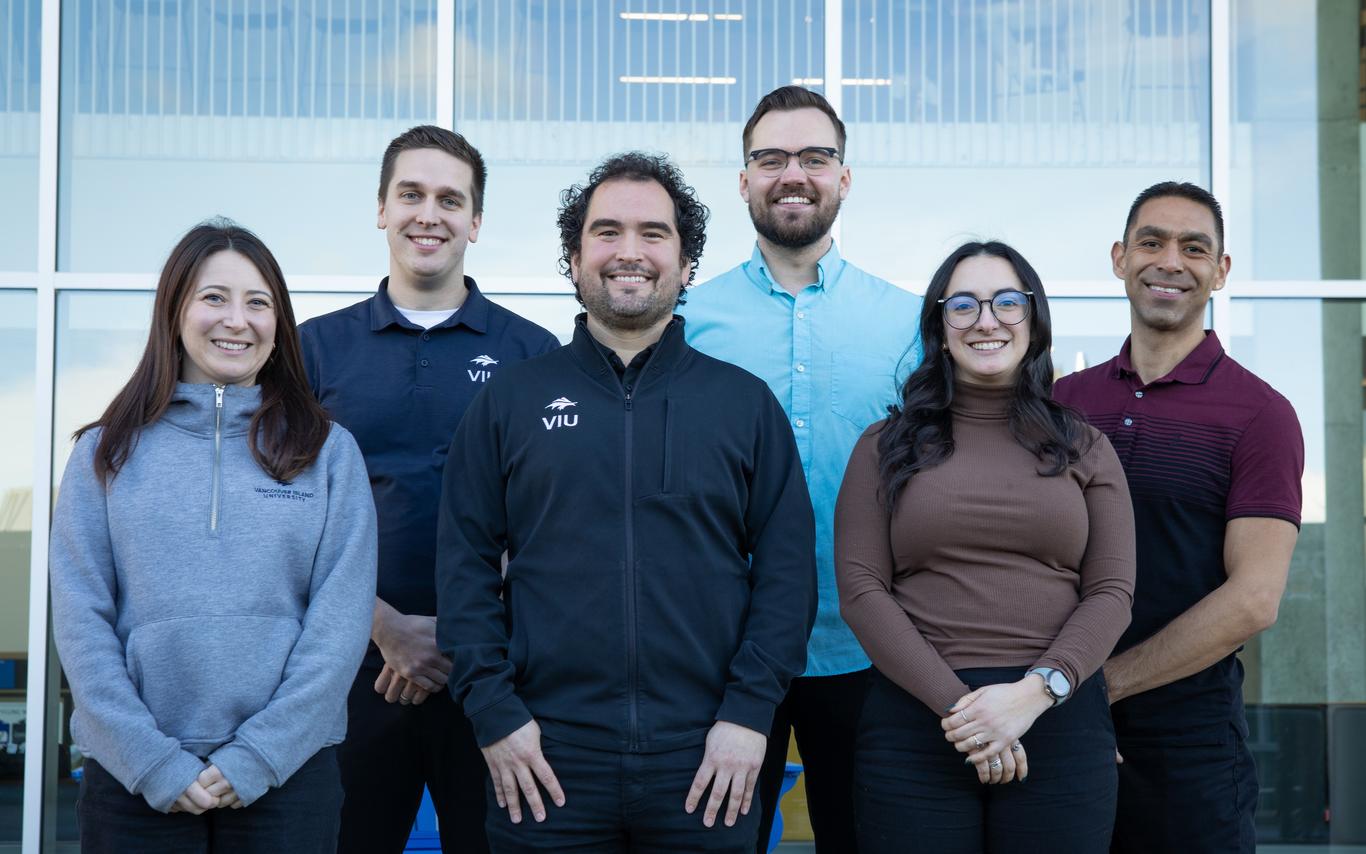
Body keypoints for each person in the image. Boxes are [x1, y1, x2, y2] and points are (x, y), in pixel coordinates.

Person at [435, 151, 817, 853]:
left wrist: (749, 715)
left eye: (654, 233)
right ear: (574, 259)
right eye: (606, 232)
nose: (629, 253)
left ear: (686, 261)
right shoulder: (508, 403)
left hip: (707, 757)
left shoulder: (743, 405)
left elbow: (788, 574)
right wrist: (493, 714)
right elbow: (463, 569)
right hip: (544, 757)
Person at [49, 220, 377, 853]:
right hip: (133, 778)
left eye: (259, 303)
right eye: (214, 298)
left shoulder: (328, 452)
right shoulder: (104, 452)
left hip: (287, 776)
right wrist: (150, 760)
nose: (238, 320)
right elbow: (80, 619)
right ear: (175, 311)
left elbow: (339, 621)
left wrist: (259, 755)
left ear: (279, 323)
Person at [299, 125, 560, 853]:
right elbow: (288, 517)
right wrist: (382, 625)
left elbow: (550, 523)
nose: (429, 214)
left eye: (451, 199)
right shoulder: (314, 350)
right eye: (411, 194)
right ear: (381, 208)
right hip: (350, 679)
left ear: (476, 221)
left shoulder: (532, 354)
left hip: (492, 678)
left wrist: (457, 634)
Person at [681, 85, 922, 852]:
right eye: (771, 157)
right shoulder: (685, 320)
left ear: (844, 178)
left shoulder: (907, 322)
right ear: (744, 179)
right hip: (719, 650)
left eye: (815, 157)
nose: (794, 173)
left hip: (868, 650)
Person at [835, 241, 1136, 853]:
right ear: (940, 329)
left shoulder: (1086, 447)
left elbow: (1112, 593)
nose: (986, 320)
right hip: (917, 725)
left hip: (1056, 718)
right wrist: (969, 715)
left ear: (1034, 319)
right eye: (963, 305)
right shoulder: (884, 445)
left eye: (1006, 302)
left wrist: (1033, 695)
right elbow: (862, 591)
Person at [1052, 182, 1303, 853]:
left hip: (1189, 749)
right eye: (1151, 241)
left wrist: (1096, 689)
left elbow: (1253, 600)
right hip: (1056, 732)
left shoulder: (1260, 413)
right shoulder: (1060, 405)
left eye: (1195, 248)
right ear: (1119, 258)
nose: (1171, 260)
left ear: (1221, 271)